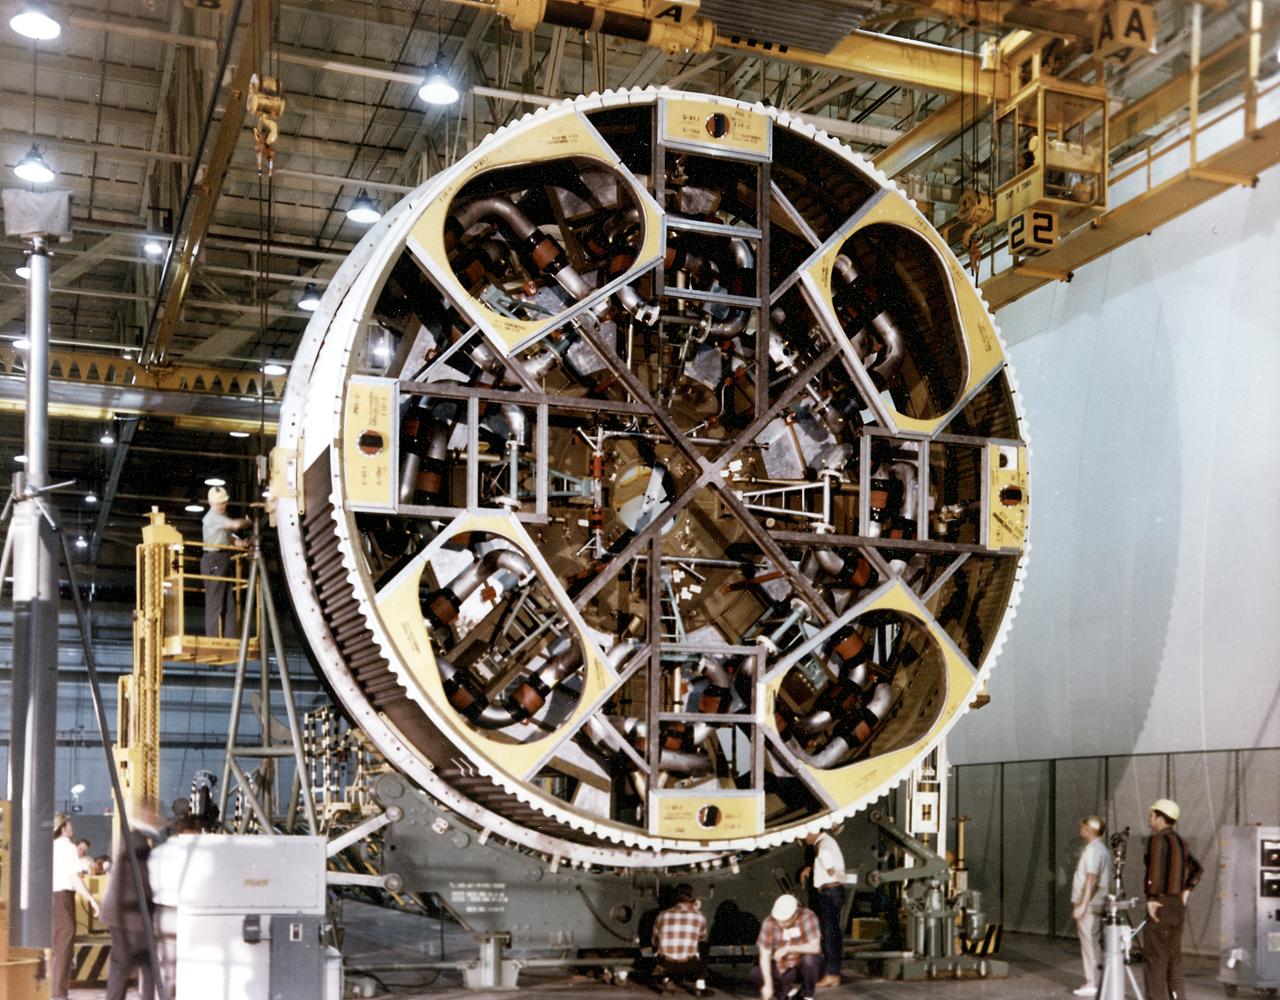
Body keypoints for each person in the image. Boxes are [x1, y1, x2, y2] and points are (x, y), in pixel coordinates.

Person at [1142, 798, 1201, 1000]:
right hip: (1176, 906)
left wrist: (1151, 898)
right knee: (1173, 958)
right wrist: (1186, 891)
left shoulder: (1157, 840)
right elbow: (1198, 869)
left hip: (1160, 904)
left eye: (1152, 815)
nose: (1149, 818)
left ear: (1159, 817)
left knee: (1155, 960)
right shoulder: (1181, 842)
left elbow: (1154, 872)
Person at [101, 822, 158, 1000]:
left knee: (122, 963)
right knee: (146, 964)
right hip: (130, 916)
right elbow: (143, 882)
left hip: (118, 913)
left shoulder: (128, 838)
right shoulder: (138, 841)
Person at [52, 813, 100, 1000]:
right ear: (63, 827)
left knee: (56, 945)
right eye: (69, 823)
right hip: (62, 898)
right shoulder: (67, 847)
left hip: (49, 897)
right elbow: (74, 879)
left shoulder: (50, 846)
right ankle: (58, 994)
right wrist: (92, 900)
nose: (72, 826)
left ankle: (54, 990)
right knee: (64, 945)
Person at [750, 894, 823, 1000]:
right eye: (778, 920)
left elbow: (815, 947)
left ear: (795, 914)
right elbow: (765, 954)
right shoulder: (769, 922)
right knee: (756, 973)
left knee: (811, 960)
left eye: (785, 921)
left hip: (802, 967)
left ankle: (807, 995)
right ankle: (791, 994)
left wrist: (788, 948)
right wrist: (768, 985)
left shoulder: (808, 916)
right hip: (784, 968)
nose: (781, 924)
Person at [1071, 815, 1113, 997]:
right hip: (1096, 902)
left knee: (1089, 941)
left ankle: (1092, 982)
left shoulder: (1093, 851)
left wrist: (1082, 905)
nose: (1080, 830)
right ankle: (1095, 980)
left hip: (1090, 904)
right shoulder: (1100, 849)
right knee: (1092, 941)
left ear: (1089, 830)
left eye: (1083, 827)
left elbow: (1091, 878)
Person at [799, 829, 846, 988]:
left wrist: (830, 869)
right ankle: (832, 973)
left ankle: (832, 975)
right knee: (831, 933)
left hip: (829, 893)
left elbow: (826, 859)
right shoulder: (827, 842)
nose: (803, 839)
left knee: (830, 935)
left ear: (813, 832)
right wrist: (811, 868)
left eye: (804, 835)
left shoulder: (823, 845)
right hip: (834, 891)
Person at [201, 485, 250, 638]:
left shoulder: (220, 517)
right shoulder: (213, 518)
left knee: (229, 602)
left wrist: (241, 544)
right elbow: (235, 525)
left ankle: (230, 638)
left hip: (222, 559)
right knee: (215, 602)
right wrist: (248, 522)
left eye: (224, 502)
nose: (223, 505)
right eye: (220, 503)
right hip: (213, 559)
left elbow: (228, 538)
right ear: (211, 503)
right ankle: (213, 640)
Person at [651, 883, 710, 997]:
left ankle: (666, 980)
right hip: (690, 966)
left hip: (665, 965)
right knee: (705, 946)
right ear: (692, 898)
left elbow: (654, 941)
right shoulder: (699, 916)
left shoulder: (662, 915)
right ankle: (700, 985)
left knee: (657, 950)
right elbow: (702, 939)